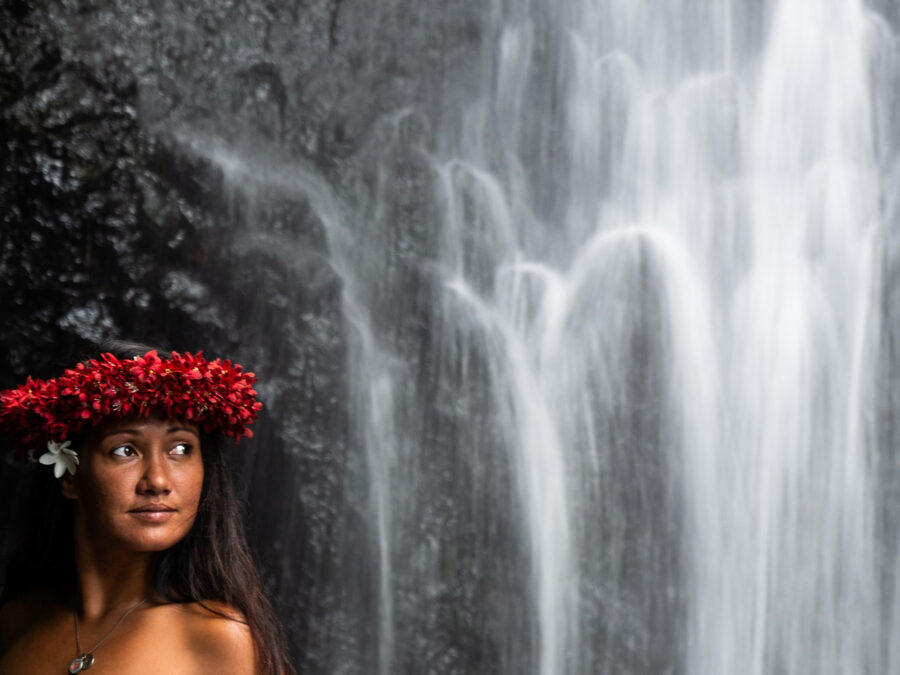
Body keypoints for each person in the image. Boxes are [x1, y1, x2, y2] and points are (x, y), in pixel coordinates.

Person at [0, 343, 294, 674]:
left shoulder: (217, 639)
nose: (157, 480)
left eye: (181, 448)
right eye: (125, 450)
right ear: (69, 476)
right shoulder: (16, 621)